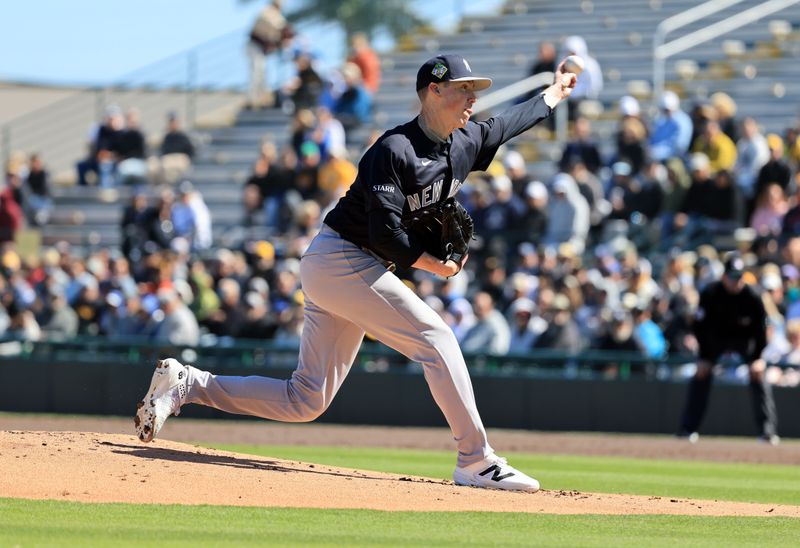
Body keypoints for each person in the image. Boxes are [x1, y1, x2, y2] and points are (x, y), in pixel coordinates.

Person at [135, 52, 579, 492]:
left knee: (305, 399)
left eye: (473, 92)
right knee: (436, 339)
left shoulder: (464, 142)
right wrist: (435, 265)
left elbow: (511, 122)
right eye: (463, 90)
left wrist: (556, 91)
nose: (471, 100)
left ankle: (187, 383)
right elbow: (384, 234)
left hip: (353, 269)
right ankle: (476, 460)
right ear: (433, 91)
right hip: (341, 258)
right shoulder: (394, 149)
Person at [678, 253, 779, 444]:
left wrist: (758, 357)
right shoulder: (710, 293)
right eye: (733, 276)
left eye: (740, 276)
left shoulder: (753, 296)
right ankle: (687, 429)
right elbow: (699, 327)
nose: (736, 281)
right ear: (724, 276)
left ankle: (767, 432)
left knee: (758, 373)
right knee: (701, 372)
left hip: (744, 341)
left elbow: (761, 331)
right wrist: (704, 356)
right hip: (716, 341)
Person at [247, 0, 294, 109]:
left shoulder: (275, 15)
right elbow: (278, 26)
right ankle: (252, 101)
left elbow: (278, 34)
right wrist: (285, 33)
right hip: (254, 46)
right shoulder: (267, 12)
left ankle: (260, 100)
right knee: (256, 73)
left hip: (259, 49)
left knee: (262, 74)